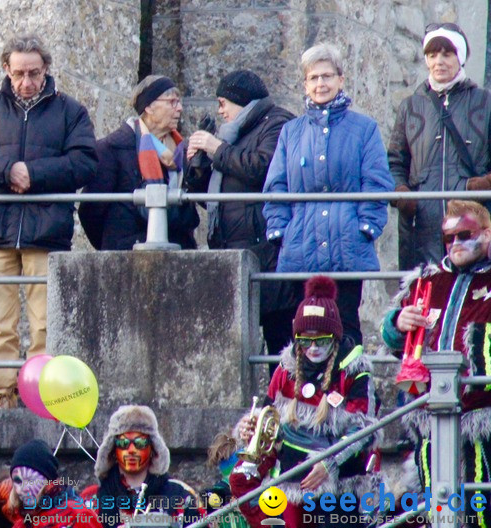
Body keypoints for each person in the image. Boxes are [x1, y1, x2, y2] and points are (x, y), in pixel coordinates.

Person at [0, 34, 97, 409]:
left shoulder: (71, 112)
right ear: (6, 69)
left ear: (46, 69)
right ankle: (1, 397)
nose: (26, 81)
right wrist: (7, 170)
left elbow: (85, 162)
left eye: (34, 73)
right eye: (18, 73)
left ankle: (40, 399)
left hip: (45, 233)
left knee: (44, 326)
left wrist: (32, 174)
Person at [263, 43, 393, 346]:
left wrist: (366, 227)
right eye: (313, 78)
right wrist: (281, 230)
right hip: (301, 245)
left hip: (347, 244)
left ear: (341, 80)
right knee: (305, 327)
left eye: (327, 76)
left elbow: (377, 182)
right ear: (305, 84)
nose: (320, 84)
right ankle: (307, 392)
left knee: (346, 324)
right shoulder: (291, 132)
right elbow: (276, 186)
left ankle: (352, 392)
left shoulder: (364, 129)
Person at [231, 276, 377, 528]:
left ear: (335, 337)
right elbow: (268, 418)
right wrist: (248, 428)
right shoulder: (285, 370)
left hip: (341, 487)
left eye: (320, 340)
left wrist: (328, 463)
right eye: (304, 340)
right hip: (293, 486)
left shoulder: (354, 371)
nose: (312, 348)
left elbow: (362, 430)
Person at [381, 200, 491, 498]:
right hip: (429, 413)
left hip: (482, 418)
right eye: (448, 238)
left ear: (487, 233)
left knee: (478, 504)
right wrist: (397, 322)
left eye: (465, 235)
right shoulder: (426, 280)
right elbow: (391, 341)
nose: (455, 244)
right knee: (435, 503)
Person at [185, 69, 295, 353]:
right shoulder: (234, 133)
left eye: (223, 103)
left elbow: (263, 169)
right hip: (234, 248)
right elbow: (213, 197)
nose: (220, 112)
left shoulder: (278, 122)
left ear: (241, 100)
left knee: (279, 338)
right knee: (237, 346)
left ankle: (285, 396)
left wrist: (216, 148)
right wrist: (197, 167)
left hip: (268, 249)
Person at [389, 23, 491, 271]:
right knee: (424, 300)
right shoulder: (410, 107)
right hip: (421, 225)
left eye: (447, 54)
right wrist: (403, 195)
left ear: (461, 57)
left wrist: (483, 185)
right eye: (432, 55)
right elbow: (394, 161)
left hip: (471, 223)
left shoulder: (485, 103)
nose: (439, 62)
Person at [81, 74, 199, 249]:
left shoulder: (181, 151)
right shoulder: (112, 148)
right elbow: (91, 210)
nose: (180, 108)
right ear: (149, 107)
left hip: (177, 250)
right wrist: (114, 246)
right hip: (127, 254)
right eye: (172, 102)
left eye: (179, 102)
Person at [93, 404, 198, 527]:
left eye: (140, 442)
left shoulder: (181, 495)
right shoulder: (93, 498)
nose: (131, 450)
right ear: (112, 449)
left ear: (153, 447)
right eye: (123, 443)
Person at [8, 438, 102, 528]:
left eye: (30, 480)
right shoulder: (21, 524)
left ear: (48, 481)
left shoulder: (77, 516)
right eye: (17, 481)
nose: (22, 489)